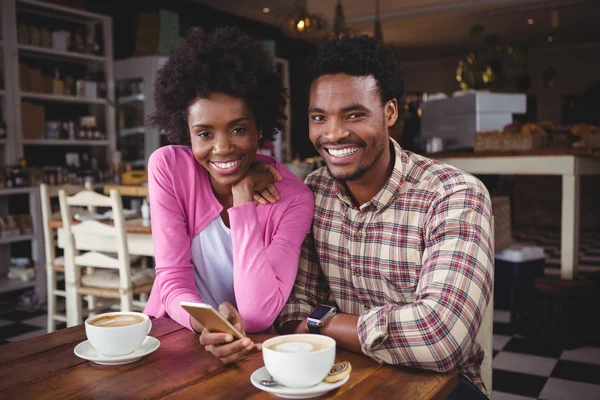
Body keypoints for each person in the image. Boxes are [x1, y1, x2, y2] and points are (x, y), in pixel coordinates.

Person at [275, 35, 494, 399]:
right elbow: (292, 307)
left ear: (390, 112)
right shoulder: (312, 191)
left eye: (354, 114)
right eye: (319, 117)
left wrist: (323, 323)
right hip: (341, 375)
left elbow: (440, 338)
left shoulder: (453, 195)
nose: (333, 134)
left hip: (444, 387)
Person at [143, 27, 314, 363]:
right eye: (204, 133)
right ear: (186, 133)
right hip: (174, 336)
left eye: (238, 129)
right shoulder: (168, 168)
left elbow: (257, 313)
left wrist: (242, 197)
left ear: (259, 127)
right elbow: (171, 279)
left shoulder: (294, 199)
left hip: (252, 351)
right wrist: (206, 324)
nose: (222, 148)